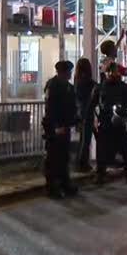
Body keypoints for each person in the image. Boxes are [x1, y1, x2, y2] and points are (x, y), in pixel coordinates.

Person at [90, 61, 127, 184]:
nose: (111, 73)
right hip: (105, 122)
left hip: (119, 122)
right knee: (103, 151)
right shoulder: (100, 88)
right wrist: (94, 120)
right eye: (109, 71)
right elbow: (92, 105)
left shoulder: (124, 87)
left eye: (114, 71)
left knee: (124, 150)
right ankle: (101, 175)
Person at [43, 61, 79, 198]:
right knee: (53, 158)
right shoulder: (52, 86)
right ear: (61, 72)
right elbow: (50, 108)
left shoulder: (68, 87)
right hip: (54, 127)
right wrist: (56, 127)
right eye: (68, 71)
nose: (70, 73)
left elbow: (71, 107)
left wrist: (74, 121)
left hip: (65, 125)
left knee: (64, 157)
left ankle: (65, 183)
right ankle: (52, 188)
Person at [73, 58, 98, 172]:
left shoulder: (77, 80)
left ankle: (80, 162)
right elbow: (96, 88)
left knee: (83, 138)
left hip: (80, 112)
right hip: (87, 112)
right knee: (86, 139)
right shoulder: (87, 82)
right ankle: (83, 163)